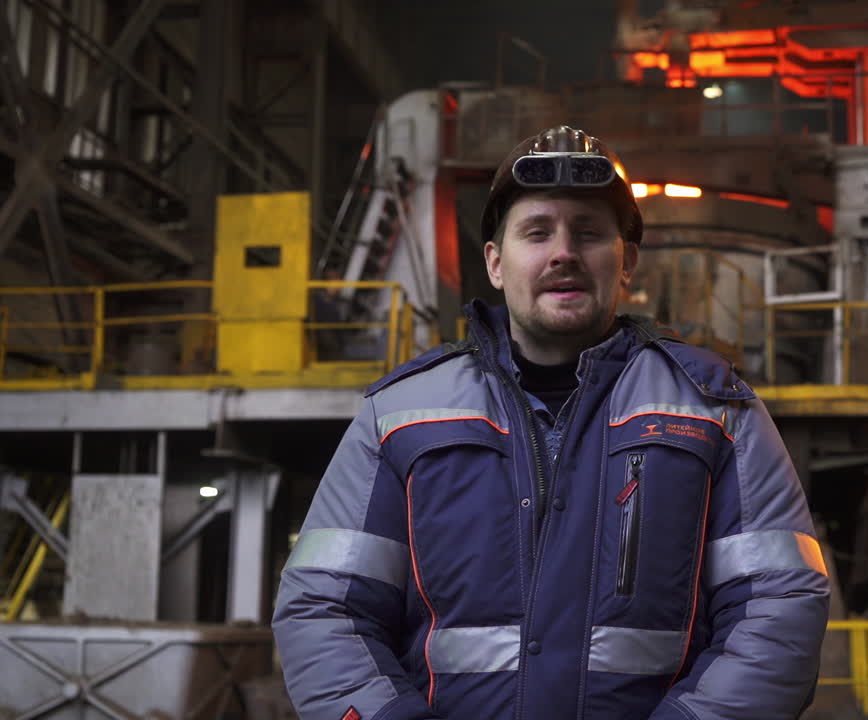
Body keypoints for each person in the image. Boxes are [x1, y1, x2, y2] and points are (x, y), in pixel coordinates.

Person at [272, 126, 830, 720]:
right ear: (494, 262)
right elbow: (324, 610)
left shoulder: (717, 411)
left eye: (588, 233)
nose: (563, 252)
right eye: (536, 232)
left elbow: (779, 605)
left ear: (627, 263)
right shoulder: (397, 417)